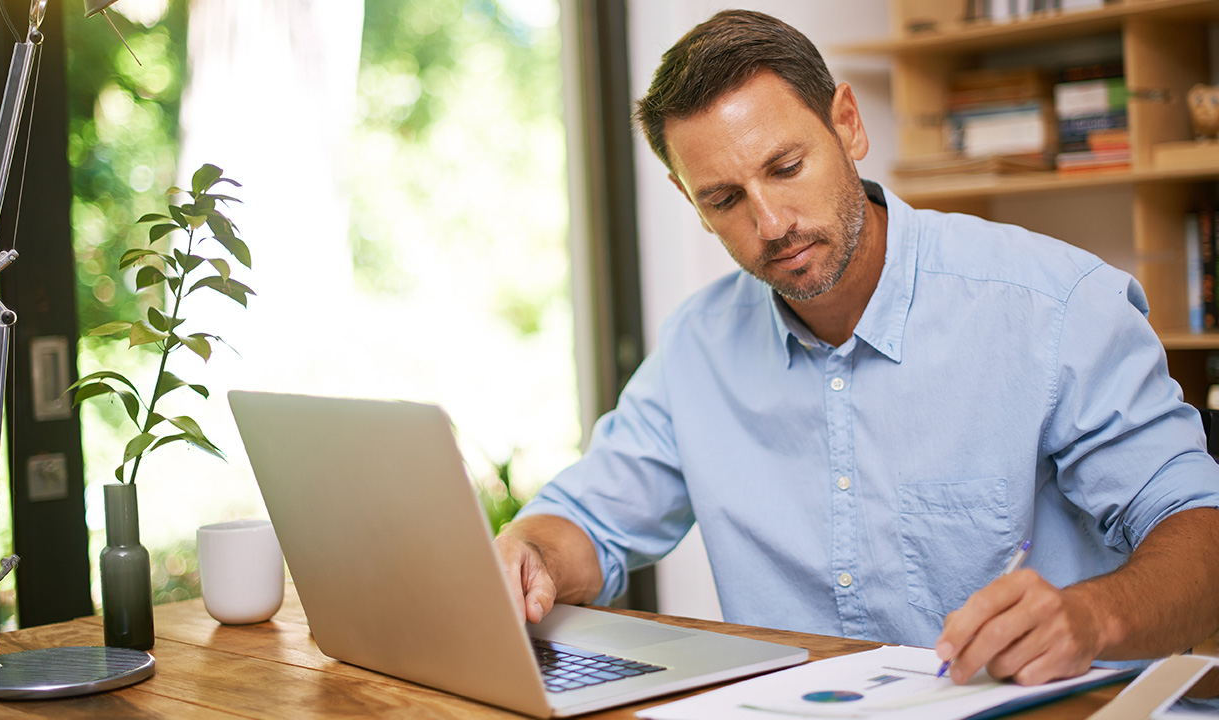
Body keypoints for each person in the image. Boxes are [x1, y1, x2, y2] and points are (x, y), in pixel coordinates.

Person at [496, 8, 1219, 688]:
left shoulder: (1054, 306)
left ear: (847, 125)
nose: (772, 223)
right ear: (692, 202)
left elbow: (1202, 533)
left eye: (785, 167)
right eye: (724, 199)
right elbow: (586, 525)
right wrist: (529, 556)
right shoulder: (698, 346)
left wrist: (1090, 617)